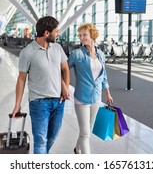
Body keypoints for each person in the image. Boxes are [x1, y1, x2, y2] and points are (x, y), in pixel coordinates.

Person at [12, 16, 70, 154]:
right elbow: (21, 79)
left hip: (58, 102)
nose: (58, 34)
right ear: (46, 33)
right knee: (40, 141)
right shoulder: (27, 52)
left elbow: (65, 69)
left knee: (51, 138)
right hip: (39, 103)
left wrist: (65, 88)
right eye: (56, 31)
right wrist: (17, 104)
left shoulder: (57, 48)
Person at [68, 23, 113, 154]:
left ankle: (77, 149)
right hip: (82, 98)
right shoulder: (77, 54)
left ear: (92, 35)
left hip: (96, 97)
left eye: (84, 35)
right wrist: (64, 87)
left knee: (87, 130)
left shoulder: (101, 54)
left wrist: (108, 94)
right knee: (85, 133)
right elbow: (64, 69)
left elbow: (103, 76)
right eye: (80, 35)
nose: (82, 38)